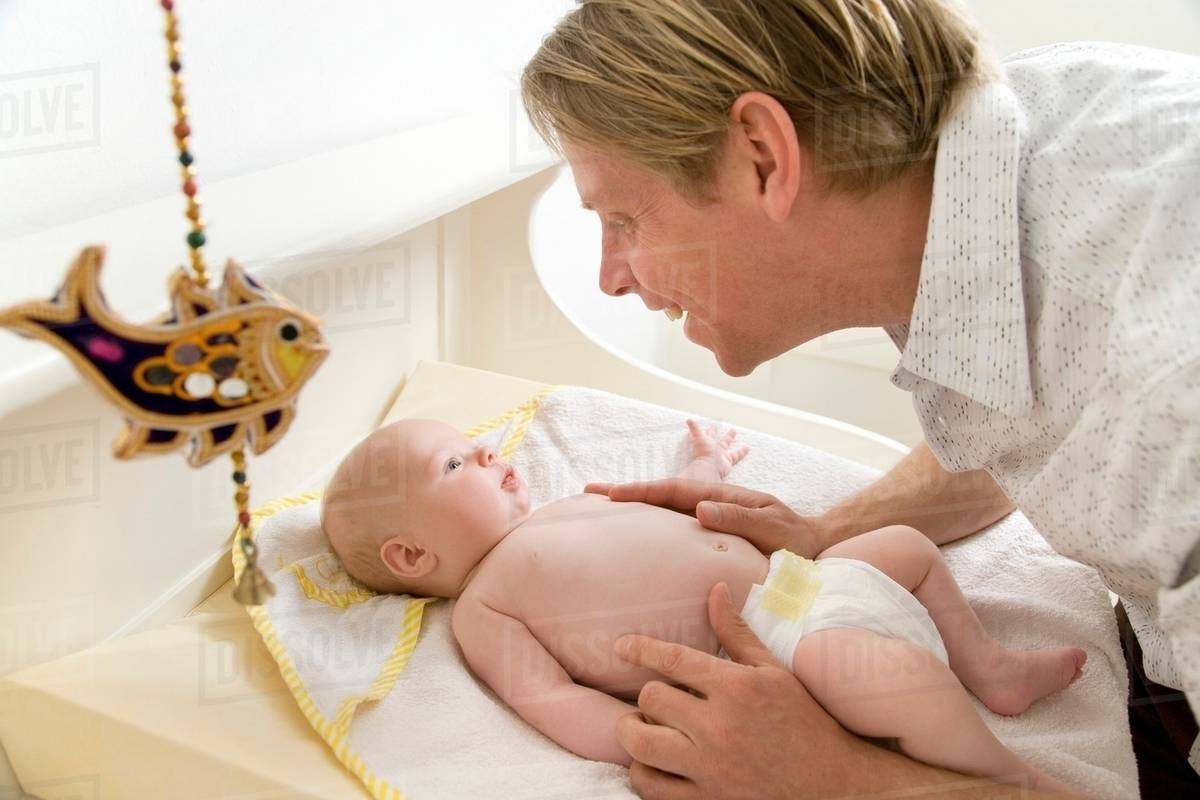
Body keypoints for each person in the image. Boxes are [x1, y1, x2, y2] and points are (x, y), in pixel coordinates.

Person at [521, 0, 1200, 797]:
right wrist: (827, 532)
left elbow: (1129, 413)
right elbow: (1048, 403)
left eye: (625, 218)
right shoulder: (977, 170)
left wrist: (840, 779)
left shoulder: (1170, 383)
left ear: (763, 157)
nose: (611, 276)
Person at [320, 417, 1084, 793]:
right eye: (455, 463)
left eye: (477, 443)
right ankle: (1006, 776)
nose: (490, 451)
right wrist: (640, 733)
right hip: (776, 649)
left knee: (909, 549)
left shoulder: (564, 506)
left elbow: (687, 515)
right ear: (411, 556)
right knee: (897, 683)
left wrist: (706, 462)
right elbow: (549, 698)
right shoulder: (485, 610)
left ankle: (992, 670)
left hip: (804, 579)